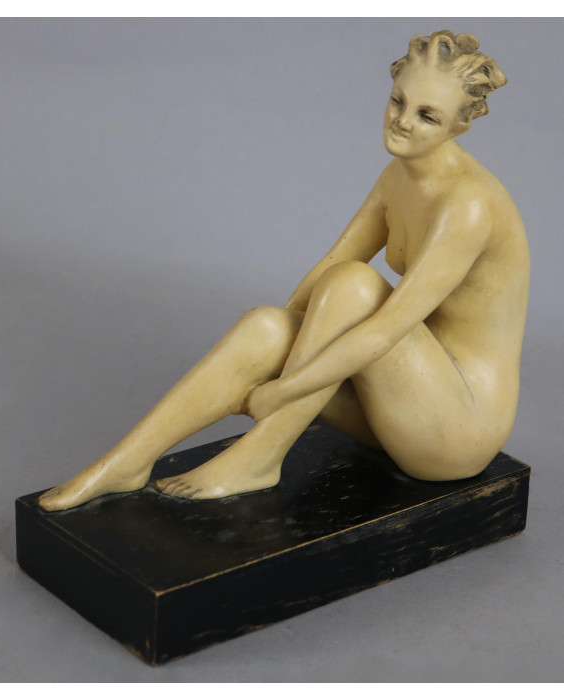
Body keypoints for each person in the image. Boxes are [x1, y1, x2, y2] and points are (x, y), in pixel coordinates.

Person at [39, 30, 529, 511]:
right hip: (402, 397)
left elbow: (384, 329)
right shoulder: (398, 175)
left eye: (427, 115)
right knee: (269, 323)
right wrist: (276, 338)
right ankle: (127, 461)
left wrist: (282, 389)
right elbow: (331, 263)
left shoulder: (468, 205)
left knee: (353, 286)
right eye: (398, 101)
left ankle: (261, 455)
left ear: (459, 125)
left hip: (456, 431)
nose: (401, 121)